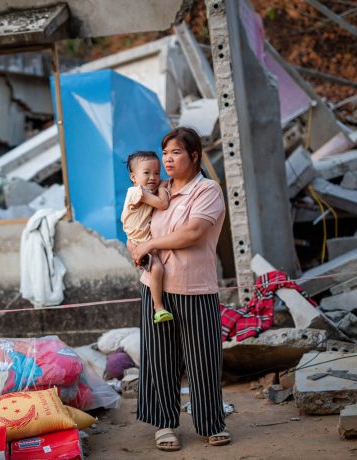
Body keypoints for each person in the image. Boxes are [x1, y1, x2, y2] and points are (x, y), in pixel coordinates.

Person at [129, 127, 230, 451]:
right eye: (165, 153)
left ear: (195, 155)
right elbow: (135, 224)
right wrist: (136, 246)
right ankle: (164, 425)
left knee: (204, 360)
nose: (168, 159)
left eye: (176, 152)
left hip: (196, 288)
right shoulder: (157, 189)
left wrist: (150, 245)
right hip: (156, 287)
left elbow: (193, 233)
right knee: (160, 359)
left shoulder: (208, 190)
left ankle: (210, 423)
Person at [120, 151, 173, 324]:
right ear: (133, 177)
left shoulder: (146, 191)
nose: (153, 177)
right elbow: (163, 204)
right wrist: (164, 189)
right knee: (157, 269)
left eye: (157, 173)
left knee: (153, 269)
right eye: (146, 173)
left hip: (138, 239)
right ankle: (158, 308)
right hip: (138, 242)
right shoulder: (137, 192)